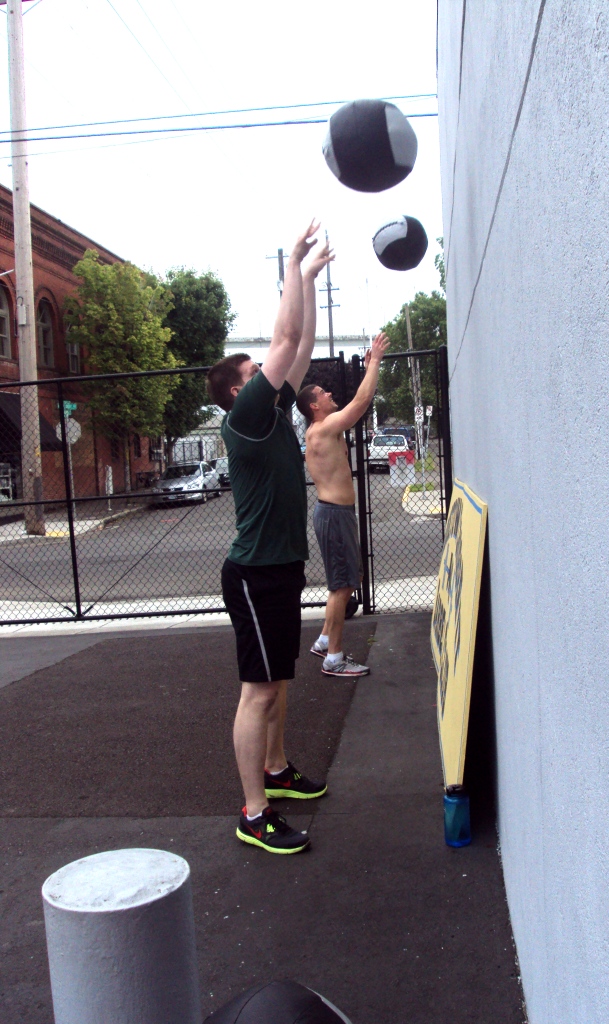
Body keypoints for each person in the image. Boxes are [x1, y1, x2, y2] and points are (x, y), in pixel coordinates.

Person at [205, 221, 333, 855]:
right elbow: (284, 337)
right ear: (239, 390)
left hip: (280, 565)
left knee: (278, 680)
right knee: (257, 689)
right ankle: (254, 812)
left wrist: (308, 281)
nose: (271, 375)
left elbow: (299, 343)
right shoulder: (249, 416)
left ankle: (278, 772)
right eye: (257, 373)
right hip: (255, 574)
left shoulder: (271, 414)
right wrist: (292, 269)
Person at [296, 331, 390, 677]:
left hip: (336, 514)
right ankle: (334, 658)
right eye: (324, 393)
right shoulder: (322, 430)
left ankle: (324, 640)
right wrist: (376, 361)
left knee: (344, 581)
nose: (330, 393)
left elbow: (359, 401)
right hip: (334, 515)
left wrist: (370, 370)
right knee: (342, 586)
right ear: (314, 407)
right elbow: (360, 404)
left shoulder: (324, 431)